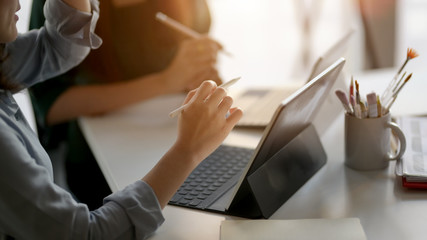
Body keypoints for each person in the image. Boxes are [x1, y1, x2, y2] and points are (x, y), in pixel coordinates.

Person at [0, 0, 242, 238]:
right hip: (98, 160)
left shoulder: (5, 58)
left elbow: (61, 46)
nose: (18, 2)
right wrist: (187, 151)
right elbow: (88, 233)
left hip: (144, 147)